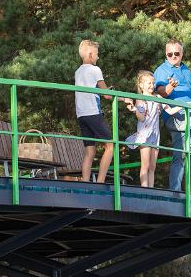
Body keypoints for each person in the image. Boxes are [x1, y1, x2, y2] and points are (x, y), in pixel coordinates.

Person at [154, 39, 191, 192]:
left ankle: (175, 191)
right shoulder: (162, 70)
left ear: (182, 54)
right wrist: (170, 86)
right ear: (166, 54)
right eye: (170, 54)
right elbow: (161, 92)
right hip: (176, 114)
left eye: (176, 53)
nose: (173, 56)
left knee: (179, 156)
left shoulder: (186, 70)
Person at [74, 39, 131, 183]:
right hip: (93, 112)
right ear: (91, 54)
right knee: (111, 146)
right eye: (97, 54)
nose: (98, 57)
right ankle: (100, 181)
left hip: (81, 114)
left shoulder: (78, 71)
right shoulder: (95, 70)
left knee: (90, 151)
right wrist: (124, 99)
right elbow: (106, 94)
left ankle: (86, 182)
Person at [125, 71, 181, 187]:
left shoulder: (158, 97)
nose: (151, 85)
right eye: (148, 83)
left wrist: (182, 106)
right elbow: (141, 118)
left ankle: (151, 188)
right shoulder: (140, 99)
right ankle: (145, 188)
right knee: (145, 165)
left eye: (153, 82)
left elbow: (169, 110)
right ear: (141, 85)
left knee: (152, 166)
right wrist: (135, 109)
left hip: (155, 135)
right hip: (145, 134)